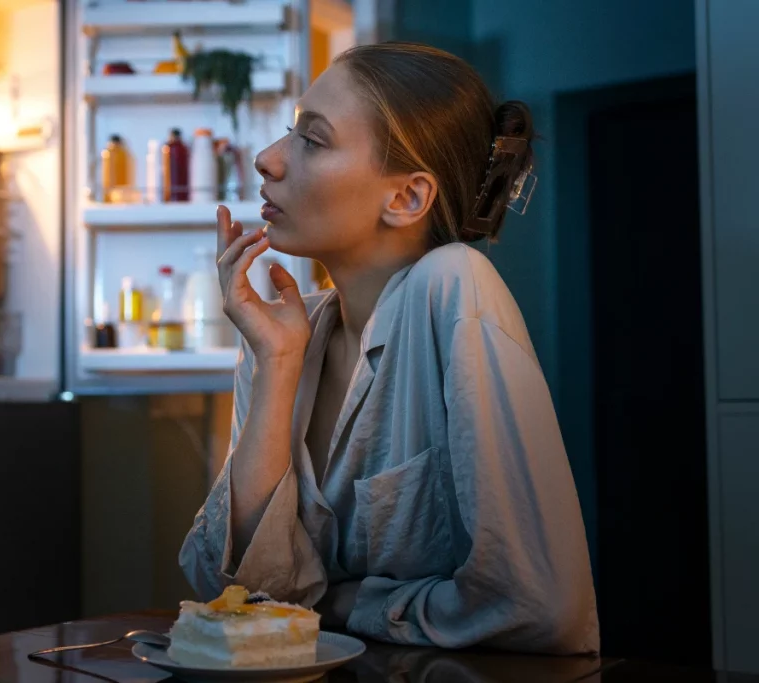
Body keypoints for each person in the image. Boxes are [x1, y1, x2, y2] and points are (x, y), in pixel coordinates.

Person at [179, 42, 599, 655]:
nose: (268, 160)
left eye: (312, 140)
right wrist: (276, 364)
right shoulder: (285, 336)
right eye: (286, 133)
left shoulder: (453, 285)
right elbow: (244, 597)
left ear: (405, 198)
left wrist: (345, 603)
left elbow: (540, 606)